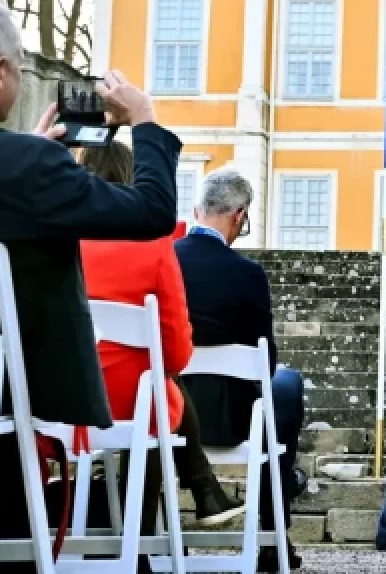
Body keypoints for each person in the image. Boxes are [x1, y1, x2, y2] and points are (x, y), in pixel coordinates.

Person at [0, 0, 182, 572]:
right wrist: (144, 121)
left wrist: (34, 157)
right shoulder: (23, 168)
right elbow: (150, 212)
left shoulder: (25, 164)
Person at [77, 142, 245, 530]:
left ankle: (192, 498)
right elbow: (176, 355)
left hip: (59, 401)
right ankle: (150, 528)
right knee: (157, 392)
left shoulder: (54, 246)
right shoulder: (153, 248)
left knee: (156, 393)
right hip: (129, 399)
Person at [175, 168, 305, 573]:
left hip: (169, 413)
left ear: (197, 210)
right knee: (286, 386)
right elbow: (263, 367)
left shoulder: (166, 261)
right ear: (239, 216)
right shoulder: (249, 275)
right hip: (232, 420)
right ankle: (273, 528)